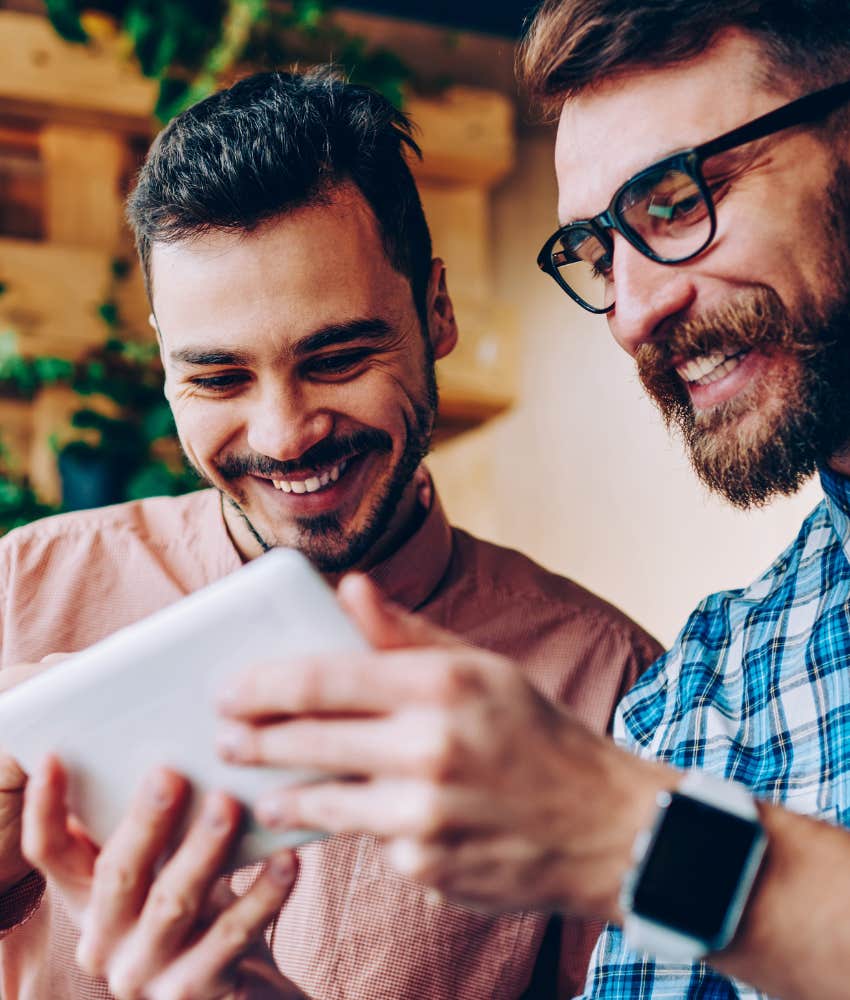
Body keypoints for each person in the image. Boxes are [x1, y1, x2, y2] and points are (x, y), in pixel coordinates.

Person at [100, 5, 850, 1000]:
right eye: (599, 248)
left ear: (434, 314)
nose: (630, 313)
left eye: (674, 204)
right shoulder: (704, 693)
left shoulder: (613, 707)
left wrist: (617, 826)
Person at [0, 70, 661, 1000]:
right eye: (219, 380)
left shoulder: (612, 695)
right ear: (164, 365)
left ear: (435, 312)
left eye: (339, 357)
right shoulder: (19, 597)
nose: (283, 434)